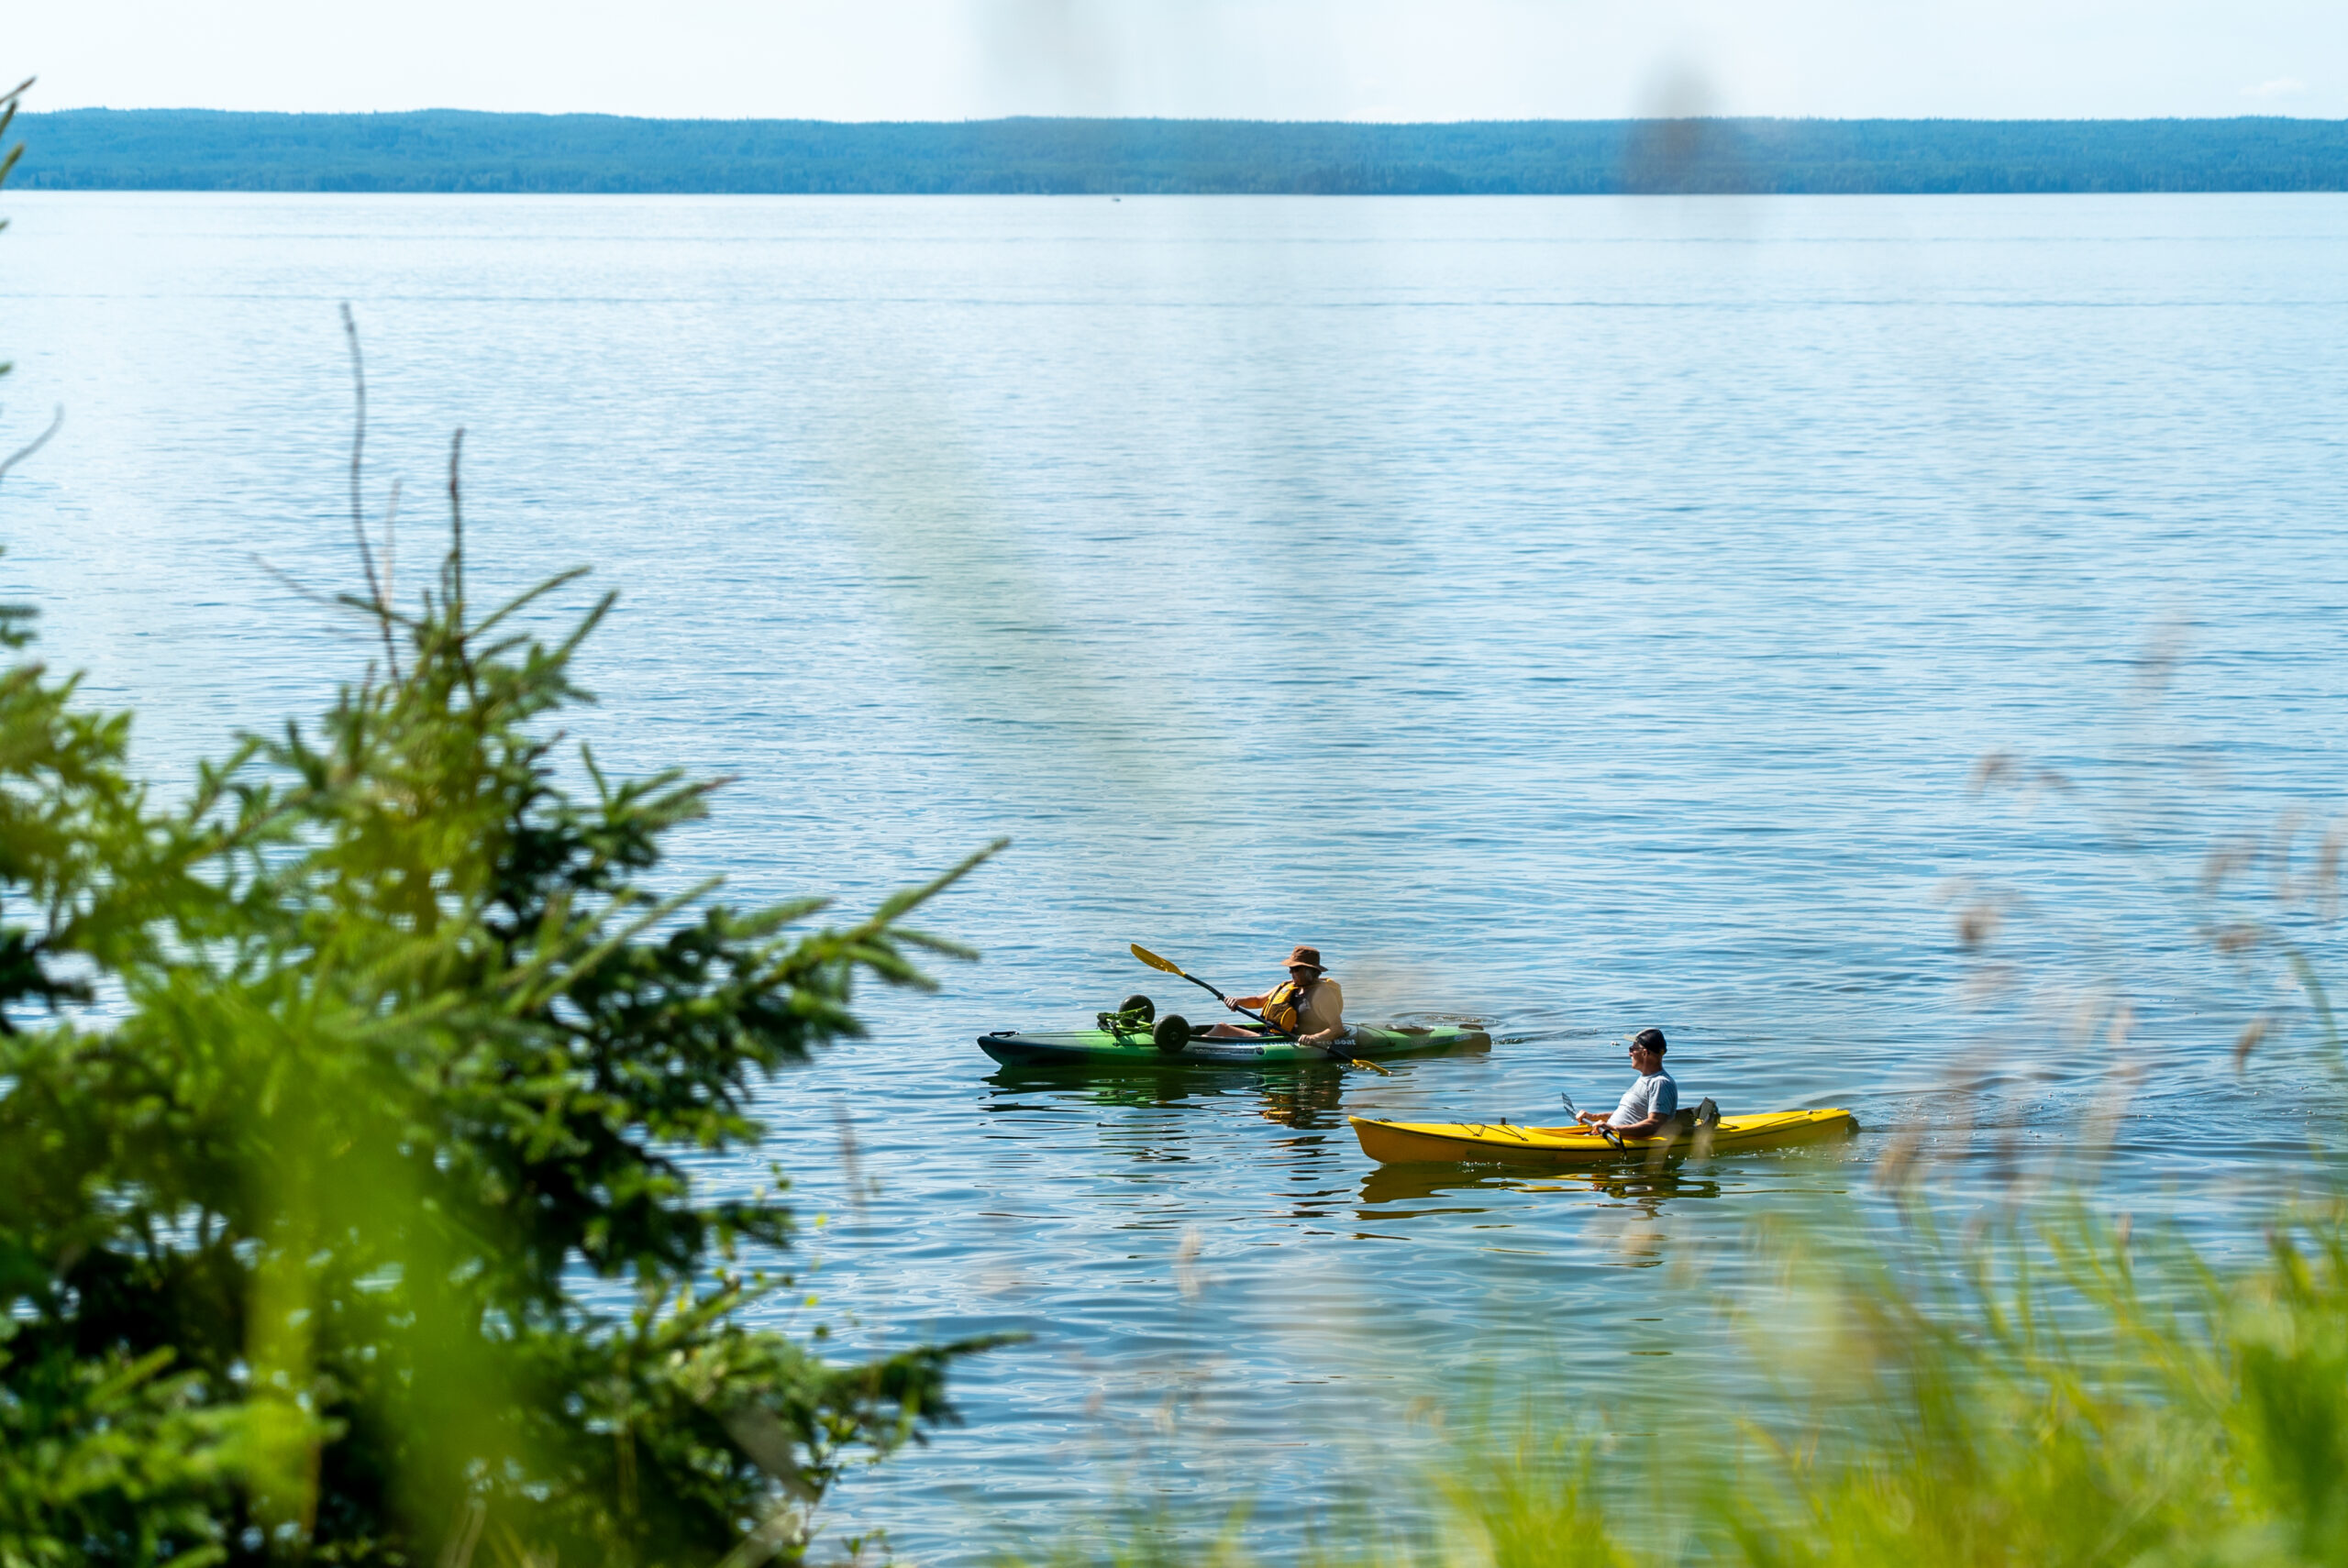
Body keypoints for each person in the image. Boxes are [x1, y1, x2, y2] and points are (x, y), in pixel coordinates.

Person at [1206, 945, 1345, 1049]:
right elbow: (1258, 1001)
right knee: (1221, 1028)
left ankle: (1191, 1046)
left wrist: (1314, 1038)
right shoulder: (1289, 986)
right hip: (1273, 1036)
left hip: (1290, 1042)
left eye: (1296, 969)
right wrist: (1237, 1001)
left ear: (1310, 971)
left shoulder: (1322, 994)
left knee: (1222, 1028)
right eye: (1290, 968)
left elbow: (1337, 1028)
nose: (1291, 972)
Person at [1576, 1027, 1678, 1137]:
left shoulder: (1660, 1083)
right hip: (1607, 1136)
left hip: (1619, 1140)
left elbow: (1655, 1124)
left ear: (1645, 1053)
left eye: (1632, 1049)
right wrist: (1594, 1117)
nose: (1630, 1054)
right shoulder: (1645, 1079)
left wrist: (1614, 1129)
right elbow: (1630, 1114)